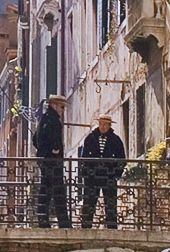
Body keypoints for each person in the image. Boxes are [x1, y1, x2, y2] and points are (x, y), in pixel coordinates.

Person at [80, 115, 127, 229]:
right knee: (89, 201)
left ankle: (112, 227)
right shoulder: (90, 138)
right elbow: (84, 158)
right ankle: (86, 227)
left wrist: (116, 174)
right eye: (101, 124)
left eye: (105, 124)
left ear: (109, 125)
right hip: (92, 176)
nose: (103, 126)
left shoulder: (115, 140)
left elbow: (122, 159)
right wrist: (86, 173)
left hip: (109, 176)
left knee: (110, 203)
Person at [33, 94, 71, 228]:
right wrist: (54, 150)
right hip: (52, 161)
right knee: (57, 190)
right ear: (54, 106)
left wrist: (42, 150)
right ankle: (63, 222)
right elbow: (53, 138)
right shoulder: (53, 119)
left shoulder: (44, 119)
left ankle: (44, 219)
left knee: (47, 189)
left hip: (45, 160)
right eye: (61, 107)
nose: (62, 110)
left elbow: (34, 139)